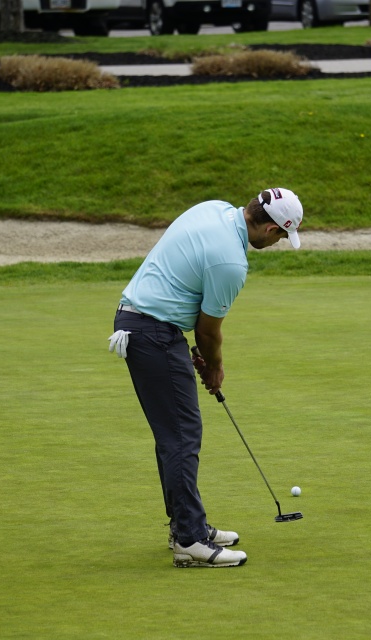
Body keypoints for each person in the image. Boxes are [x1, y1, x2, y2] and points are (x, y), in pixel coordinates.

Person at [108, 188, 304, 568]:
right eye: (282, 236)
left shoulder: (214, 209)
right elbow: (209, 331)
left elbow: (188, 292)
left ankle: (186, 525)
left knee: (175, 435)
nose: (279, 242)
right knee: (182, 435)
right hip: (153, 332)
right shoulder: (231, 262)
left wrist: (196, 352)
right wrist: (214, 367)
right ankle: (189, 539)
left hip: (144, 323)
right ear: (269, 229)